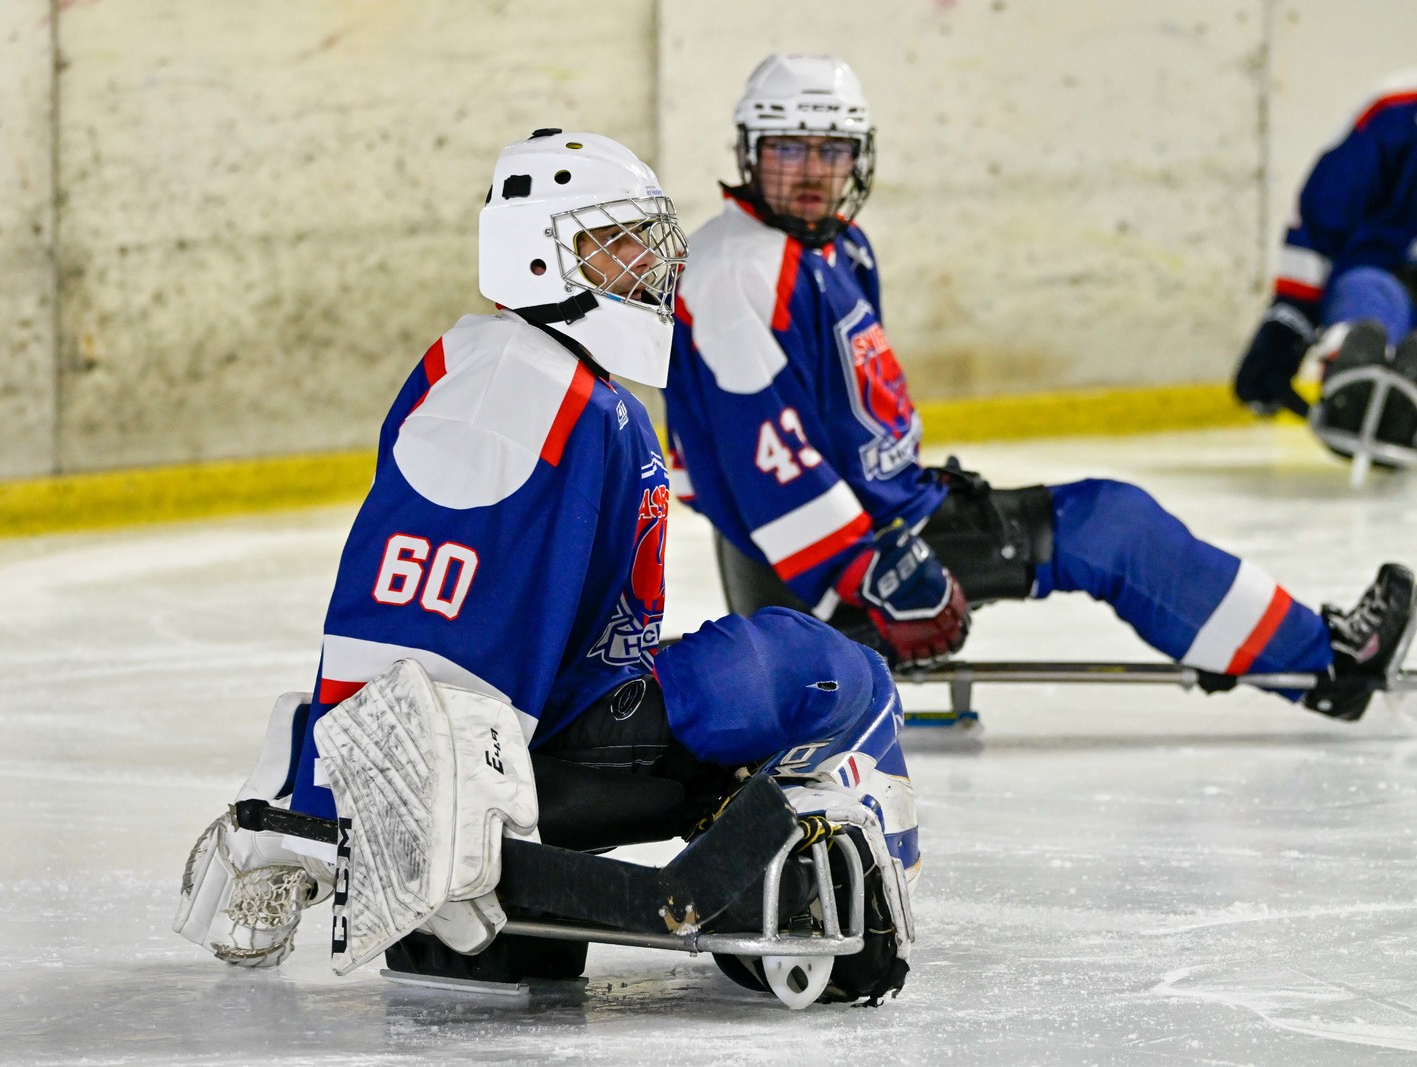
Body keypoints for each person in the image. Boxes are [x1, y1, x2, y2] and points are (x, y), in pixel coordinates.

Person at [171, 129, 919, 1005]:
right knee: (821, 669)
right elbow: (432, 596)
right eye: (619, 240)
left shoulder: (508, 368)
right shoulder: (523, 389)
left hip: (523, 735)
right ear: (542, 257)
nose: (648, 263)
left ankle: (310, 759)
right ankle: (884, 880)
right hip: (533, 750)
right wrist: (396, 804)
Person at [664, 54, 1415, 722]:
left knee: (1104, 518)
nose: (808, 171)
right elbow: (769, 463)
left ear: (858, 158)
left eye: (830, 151)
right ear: (750, 152)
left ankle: (1286, 645)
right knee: (1109, 526)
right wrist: (866, 572)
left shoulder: (833, 246)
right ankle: (1329, 664)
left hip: (883, 528)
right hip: (828, 577)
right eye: (787, 148)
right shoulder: (737, 274)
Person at [1234, 71, 1417, 460]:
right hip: (1386, 274)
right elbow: (1328, 211)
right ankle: (1353, 366)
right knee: (1367, 296)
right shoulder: (1396, 109)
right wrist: (1288, 323)